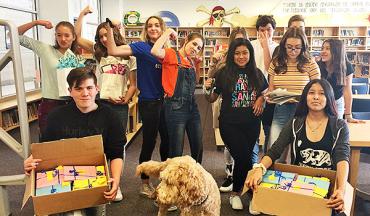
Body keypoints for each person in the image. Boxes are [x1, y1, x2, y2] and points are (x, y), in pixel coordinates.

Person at [24, 67, 125, 216]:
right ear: (70, 91)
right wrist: (29, 163)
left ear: (97, 88)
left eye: (89, 88)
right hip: (62, 180)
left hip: (96, 180)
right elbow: (45, 149)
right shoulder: (56, 117)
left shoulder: (110, 117)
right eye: (78, 89)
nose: (85, 93)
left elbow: (116, 153)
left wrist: (116, 180)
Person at [246, 79, 350, 215]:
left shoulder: (339, 126)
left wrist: (340, 189)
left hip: (327, 187)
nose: (316, 97)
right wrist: (260, 168)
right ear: (305, 97)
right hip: (299, 185)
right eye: (311, 93)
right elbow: (275, 150)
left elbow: (342, 158)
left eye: (322, 93)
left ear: (329, 97)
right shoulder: (295, 123)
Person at [105, 16, 174, 211]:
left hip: (166, 102)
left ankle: (165, 180)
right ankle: (144, 182)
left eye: (157, 25)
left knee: (167, 142)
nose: (153, 28)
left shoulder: (168, 50)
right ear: (146, 29)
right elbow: (113, 50)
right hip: (149, 102)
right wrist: (111, 29)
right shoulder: (142, 48)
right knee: (150, 142)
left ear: (162, 28)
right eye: (150, 25)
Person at [74, 6, 137, 201]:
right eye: (100, 36)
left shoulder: (129, 55)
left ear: (115, 34)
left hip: (118, 106)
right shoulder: (98, 53)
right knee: (98, 143)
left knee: (118, 145)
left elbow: (133, 84)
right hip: (99, 104)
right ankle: (101, 180)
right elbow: (76, 38)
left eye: (106, 35)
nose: (103, 39)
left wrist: (126, 98)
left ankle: (115, 184)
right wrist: (82, 15)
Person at [205, 38, 268, 210]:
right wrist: (207, 87)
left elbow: (264, 92)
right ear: (232, 55)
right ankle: (238, 194)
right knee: (244, 157)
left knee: (245, 159)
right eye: (237, 53)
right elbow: (211, 98)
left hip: (252, 124)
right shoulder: (224, 73)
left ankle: (245, 192)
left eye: (245, 53)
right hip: (229, 124)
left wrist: (261, 99)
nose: (241, 56)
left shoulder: (257, 73)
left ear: (250, 54)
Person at [17, 20, 84, 139]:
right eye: (59, 35)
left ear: (73, 37)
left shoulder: (77, 58)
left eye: (67, 35)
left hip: (72, 104)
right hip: (50, 104)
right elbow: (15, 35)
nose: (63, 39)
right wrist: (36, 22)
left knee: (72, 141)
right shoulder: (45, 49)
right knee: (48, 141)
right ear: (55, 36)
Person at [267, 27, 320, 163]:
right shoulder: (276, 62)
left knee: (301, 155)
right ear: (283, 45)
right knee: (275, 152)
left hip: (303, 112)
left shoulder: (310, 63)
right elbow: (271, 88)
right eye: (289, 47)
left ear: (303, 47)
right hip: (281, 110)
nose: (293, 51)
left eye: (297, 47)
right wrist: (270, 96)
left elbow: (317, 90)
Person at [151, 28, 204, 163]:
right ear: (186, 41)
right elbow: (154, 50)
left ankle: (195, 179)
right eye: (194, 44)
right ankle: (174, 182)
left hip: (192, 107)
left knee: (198, 147)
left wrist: (197, 65)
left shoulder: (191, 61)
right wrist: (167, 32)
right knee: (176, 150)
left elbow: (196, 81)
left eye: (199, 47)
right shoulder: (171, 54)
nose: (195, 49)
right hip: (175, 107)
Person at [208, 27, 249, 193]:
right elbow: (211, 76)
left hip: (245, 107)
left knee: (245, 145)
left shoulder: (248, 56)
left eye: (242, 39)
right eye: (236, 39)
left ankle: (242, 174)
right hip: (226, 103)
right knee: (229, 143)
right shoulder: (224, 57)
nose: (239, 43)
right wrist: (213, 62)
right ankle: (230, 172)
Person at [250, 15, 279, 159]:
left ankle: (267, 164)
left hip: (270, 95)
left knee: (270, 132)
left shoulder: (278, 48)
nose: (266, 34)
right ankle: (253, 164)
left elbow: (272, 73)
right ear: (257, 31)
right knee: (253, 132)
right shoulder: (251, 46)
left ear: (274, 30)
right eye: (262, 30)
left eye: (269, 30)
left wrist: (263, 96)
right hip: (252, 95)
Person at [318, 39, 365, 123]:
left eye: (327, 49)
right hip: (319, 101)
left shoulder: (346, 67)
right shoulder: (317, 66)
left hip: (337, 102)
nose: (323, 51)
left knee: (336, 127)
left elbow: (347, 91)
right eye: (322, 48)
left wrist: (348, 115)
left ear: (337, 51)